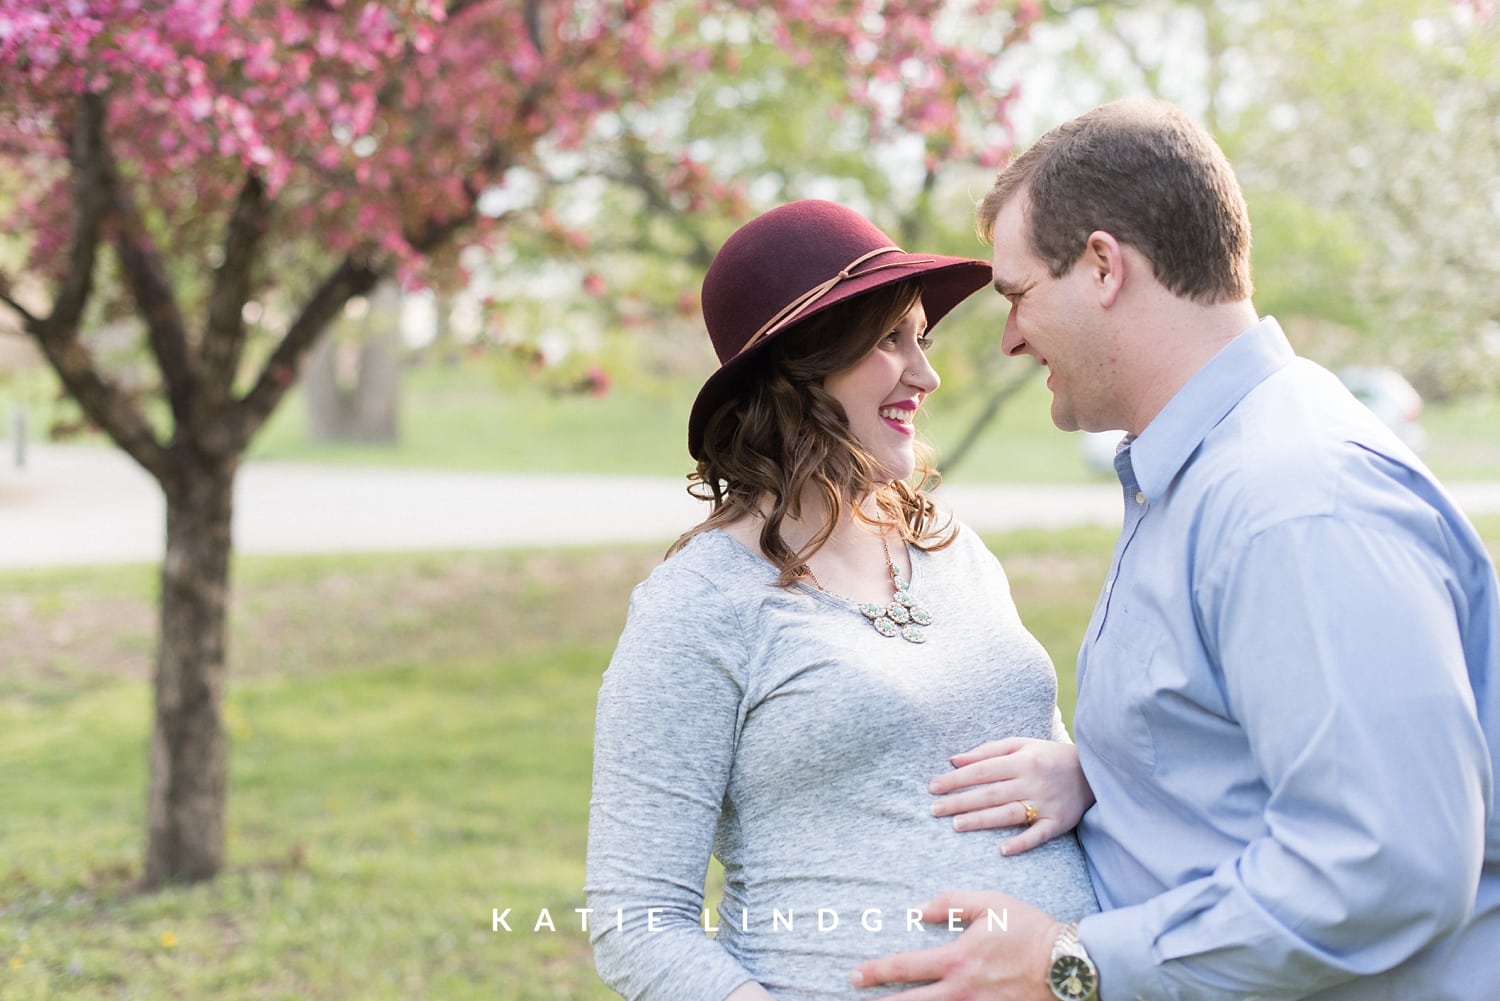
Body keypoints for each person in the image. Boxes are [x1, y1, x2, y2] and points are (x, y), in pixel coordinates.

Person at [851, 99, 1500, 1000]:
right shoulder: (1201, 472)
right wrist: (1113, 774)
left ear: (1104, 267)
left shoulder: (1294, 502)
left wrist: (1071, 963)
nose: (1007, 338)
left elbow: (1383, 866)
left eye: (1017, 294)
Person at [584, 199, 1099, 1000]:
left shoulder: (953, 550)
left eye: (920, 340)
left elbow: (1029, 756)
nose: (925, 375)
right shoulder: (698, 604)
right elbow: (637, 916)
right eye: (891, 341)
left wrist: (1082, 772)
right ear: (802, 361)